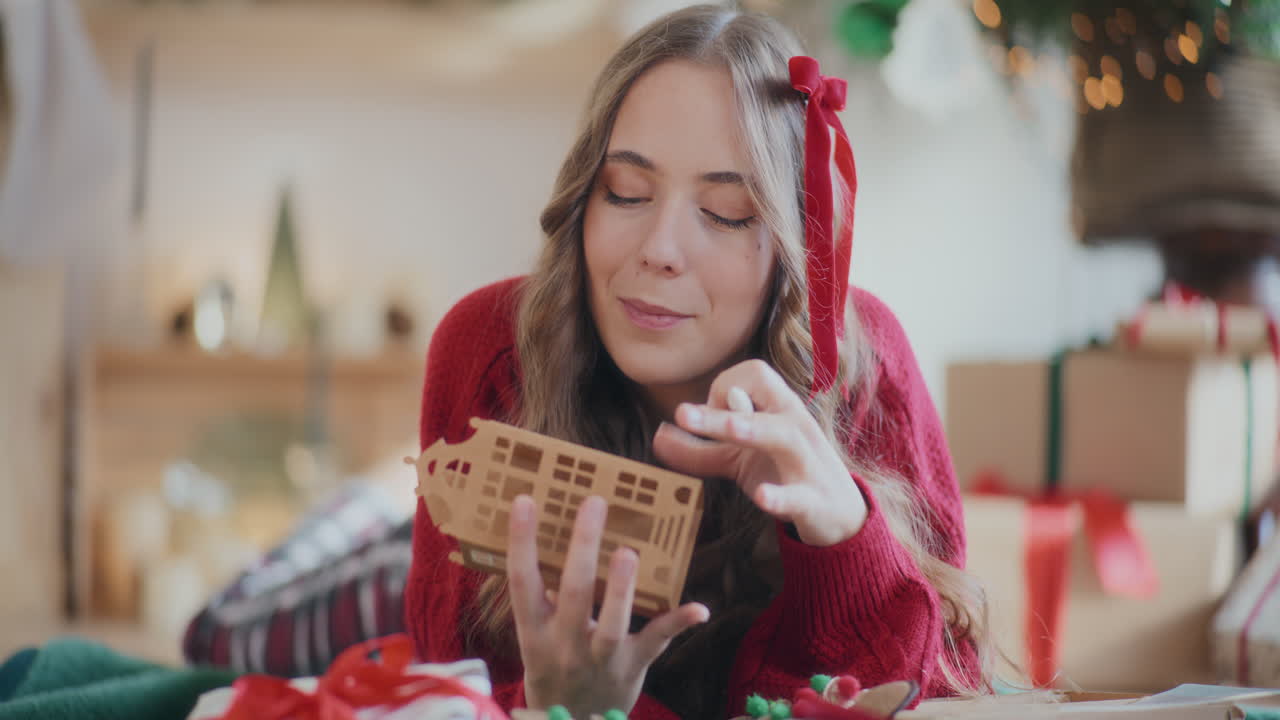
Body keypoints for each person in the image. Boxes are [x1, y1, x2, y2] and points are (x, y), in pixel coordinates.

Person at [404, 5, 990, 719]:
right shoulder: (489, 351)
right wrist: (555, 706)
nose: (660, 248)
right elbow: (444, 684)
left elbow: (942, 686)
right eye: (625, 192)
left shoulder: (864, 360)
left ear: (791, 244)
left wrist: (842, 535)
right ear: (583, 196)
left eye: (725, 210)